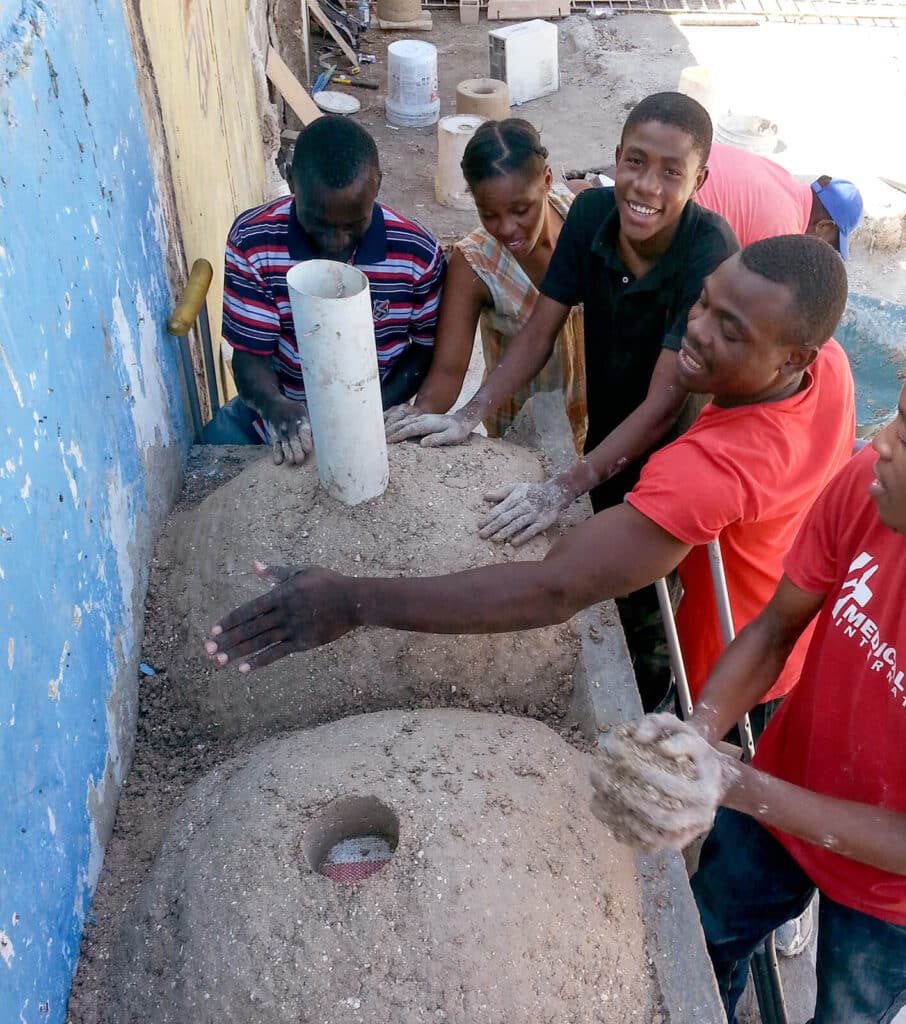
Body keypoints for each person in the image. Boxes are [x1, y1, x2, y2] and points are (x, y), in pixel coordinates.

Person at [204, 237, 854, 739]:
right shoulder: (828, 369)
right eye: (706, 300)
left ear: (795, 356)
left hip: (729, 675)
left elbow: (555, 587)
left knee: (692, 795)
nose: (698, 327)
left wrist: (350, 602)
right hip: (790, 620)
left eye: (729, 329)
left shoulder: (713, 473)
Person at [608, 332, 906, 1024]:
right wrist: (698, 735)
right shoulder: (872, 493)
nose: (879, 442)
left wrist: (734, 784)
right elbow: (774, 631)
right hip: (782, 800)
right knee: (706, 944)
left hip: (894, 896)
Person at [387, 93, 740, 709]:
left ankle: (653, 704)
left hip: (673, 461)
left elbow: (664, 401)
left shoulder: (708, 250)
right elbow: (539, 330)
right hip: (604, 437)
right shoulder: (591, 215)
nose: (647, 186)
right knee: (599, 582)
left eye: (670, 171)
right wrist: (468, 415)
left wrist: (562, 487)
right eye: (635, 161)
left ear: (700, 180)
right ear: (616, 157)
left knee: (650, 600)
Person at [201, 115, 446, 465]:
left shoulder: (416, 254)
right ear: (290, 181)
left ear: (377, 185)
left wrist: (366, 411)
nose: (335, 241)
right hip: (274, 416)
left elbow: (423, 351)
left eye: (353, 225)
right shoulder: (253, 241)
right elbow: (250, 355)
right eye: (317, 222)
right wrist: (278, 410)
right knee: (203, 469)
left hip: (374, 416)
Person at [391, 118, 589, 455]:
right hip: (524, 436)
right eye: (489, 214)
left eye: (521, 209)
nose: (508, 227)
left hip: (596, 412)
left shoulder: (582, 211)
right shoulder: (474, 265)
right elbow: (449, 372)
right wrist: (417, 418)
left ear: (546, 180)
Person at [696, 141, 864, 257]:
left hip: (682, 166)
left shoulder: (780, 174)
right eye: (830, 243)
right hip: (677, 213)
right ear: (824, 225)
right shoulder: (784, 231)